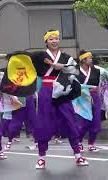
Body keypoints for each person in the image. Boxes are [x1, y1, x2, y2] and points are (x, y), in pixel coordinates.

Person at [33, 30, 88, 169]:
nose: (54, 41)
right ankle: (41, 158)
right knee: (44, 122)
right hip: (46, 90)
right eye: (51, 39)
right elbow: (25, 59)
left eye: (56, 38)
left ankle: (78, 155)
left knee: (69, 119)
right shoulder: (40, 56)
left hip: (62, 90)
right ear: (46, 41)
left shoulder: (66, 57)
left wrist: (60, 66)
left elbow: (75, 70)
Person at [75, 50, 102, 153]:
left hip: (94, 98)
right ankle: (79, 142)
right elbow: (74, 86)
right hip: (81, 98)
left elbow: (98, 86)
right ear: (83, 60)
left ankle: (91, 143)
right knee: (83, 122)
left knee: (96, 121)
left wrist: (94, 89)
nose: (91, 59)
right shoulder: (76, 71)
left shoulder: (96, 71)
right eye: (89, 58)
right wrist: (87, 88)